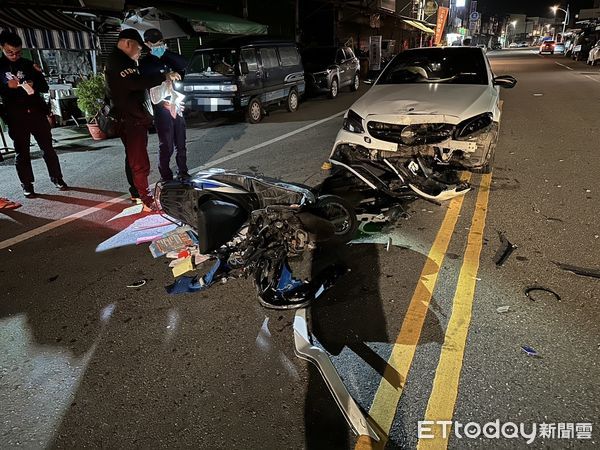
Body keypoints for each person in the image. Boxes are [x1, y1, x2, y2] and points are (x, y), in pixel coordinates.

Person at [105, 28, 180, 210]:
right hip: (131, 118)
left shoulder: (120, 60)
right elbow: (135, 83)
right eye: (138, 48)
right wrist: (163, 76)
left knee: (132, 157)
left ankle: (137, 192)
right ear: (128, 43)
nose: (139, 53)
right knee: (138, 159)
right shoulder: (119, 61)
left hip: (130, 116)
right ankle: (146, 198)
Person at [0, 30, 67, 198]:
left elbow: (44, 86)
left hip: (36, 111)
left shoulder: (28, 64)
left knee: (48, 148)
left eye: (17, 52)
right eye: (10, 52)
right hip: (15, 115)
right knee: (22, 152)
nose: (14, 55)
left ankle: (57, 178)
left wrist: (33, 82)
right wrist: (8, 87)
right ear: (2, 48)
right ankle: (27, 184)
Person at [138, 28, 189, 182]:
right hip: (161, 107)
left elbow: (184, 63)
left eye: (160, 42)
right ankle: (166, 175)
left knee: (181, 142)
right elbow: (147, 74)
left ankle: (183, 171)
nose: (158, 46)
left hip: (176, 105)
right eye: (154, 43)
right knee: (166, 144)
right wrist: (165, 74)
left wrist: (165, 53)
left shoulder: (166, 58)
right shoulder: (145, 62)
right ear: (147, 44)